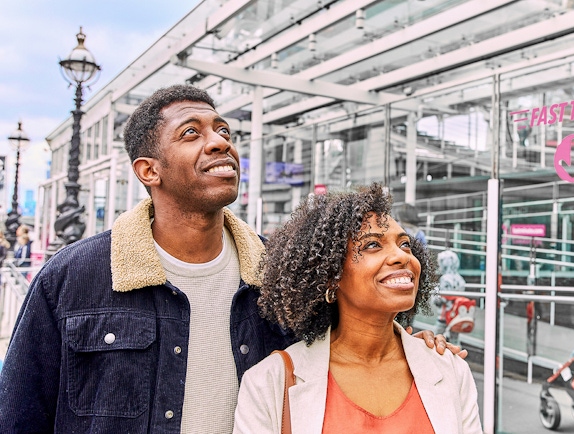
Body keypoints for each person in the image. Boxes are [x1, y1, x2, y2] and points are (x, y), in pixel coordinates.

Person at [0, 85, 461, 432]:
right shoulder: (71, 278)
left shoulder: (277, 274)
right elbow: (19, 415)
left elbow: (352, 341)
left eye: (224, 131)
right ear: (148, 170)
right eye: (191, 133)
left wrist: (416, 348)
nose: (220, 142)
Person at [233, 184, 482, 433]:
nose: (402, 256)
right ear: (330, 276)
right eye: (373, 245)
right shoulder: (269, 383)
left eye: (405, 244)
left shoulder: (450, 369)